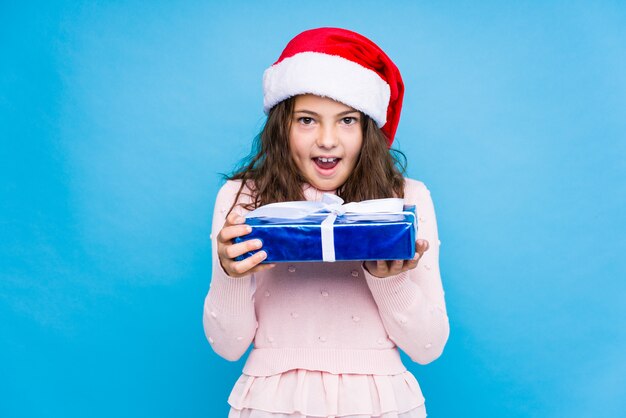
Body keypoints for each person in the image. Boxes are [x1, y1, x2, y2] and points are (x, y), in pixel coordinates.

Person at [203, 27, 449, 418]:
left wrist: (392, 281)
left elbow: (428, 348)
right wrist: (230, 274)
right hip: (271, 402)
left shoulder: (407, 198)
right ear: (281, 126)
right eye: (307, 120)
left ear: (369, 128)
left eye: (347, 120)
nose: (328, 140)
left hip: (380, 403)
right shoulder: (242, 199)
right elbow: (227, 346)